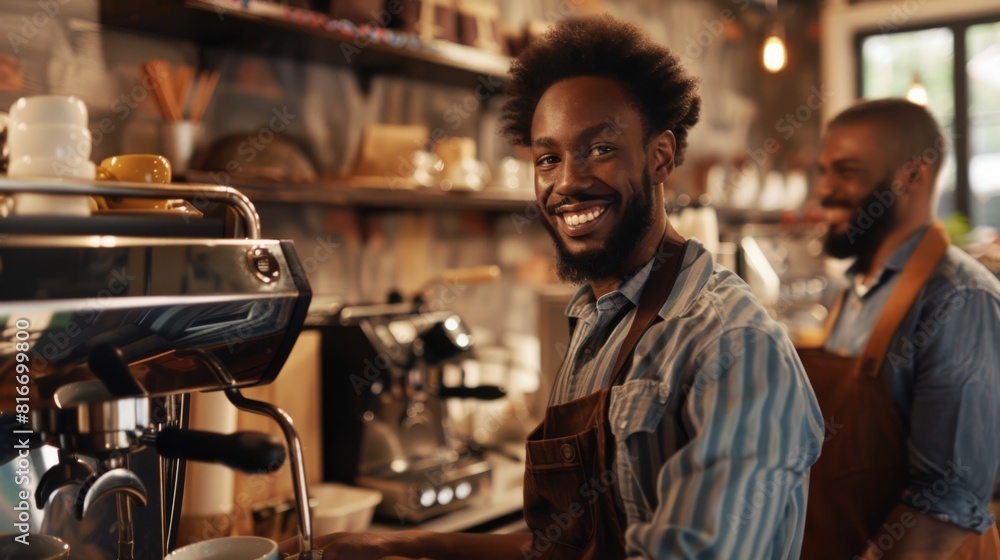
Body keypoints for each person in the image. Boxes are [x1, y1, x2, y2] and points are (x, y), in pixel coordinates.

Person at [283, 15, 824, 559]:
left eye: (600, 149)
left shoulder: (732, 346)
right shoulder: (597, 319)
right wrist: (401, 546)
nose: (566, 182)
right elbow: (566, 548)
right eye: (549, 158)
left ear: (660, 155)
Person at [800, 98, 1000, 559]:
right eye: (824, 171)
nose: (825, 190)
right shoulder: (854, 290)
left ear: (912, 176)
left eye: (846, 172)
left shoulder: (959, 300)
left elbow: (946, 502)